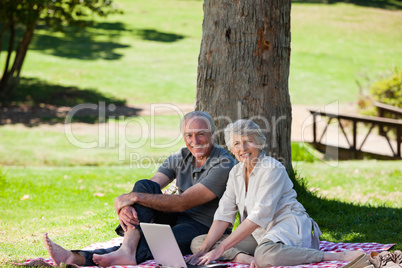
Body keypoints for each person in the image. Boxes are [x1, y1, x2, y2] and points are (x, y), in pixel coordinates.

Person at [43, 111, 235, 267]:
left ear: (212, 134)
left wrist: (130, 198)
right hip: (175, 217)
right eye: (188, 135)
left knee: (158, 244)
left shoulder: (223, 164)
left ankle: (77, 258)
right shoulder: (181, 156)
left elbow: (181, 203)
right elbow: (151, 186)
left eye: (201, 133)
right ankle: (127, 248)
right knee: (144, 185)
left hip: (203, 227)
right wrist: (126, 204)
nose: (195, 140)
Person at [186, 119, 364, 268]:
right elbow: (224, 214)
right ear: (231, 149)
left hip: (289, 225)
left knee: (264, 256)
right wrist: (207, 249)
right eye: (237, 143)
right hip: (259, 234)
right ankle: (246, 259)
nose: (243, 148)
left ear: (260, 143)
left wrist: (221, 248)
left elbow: (259, 215)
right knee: (199, 242)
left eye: (249, 141)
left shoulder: (272, 168)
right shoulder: (235, 172)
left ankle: (336, 257)